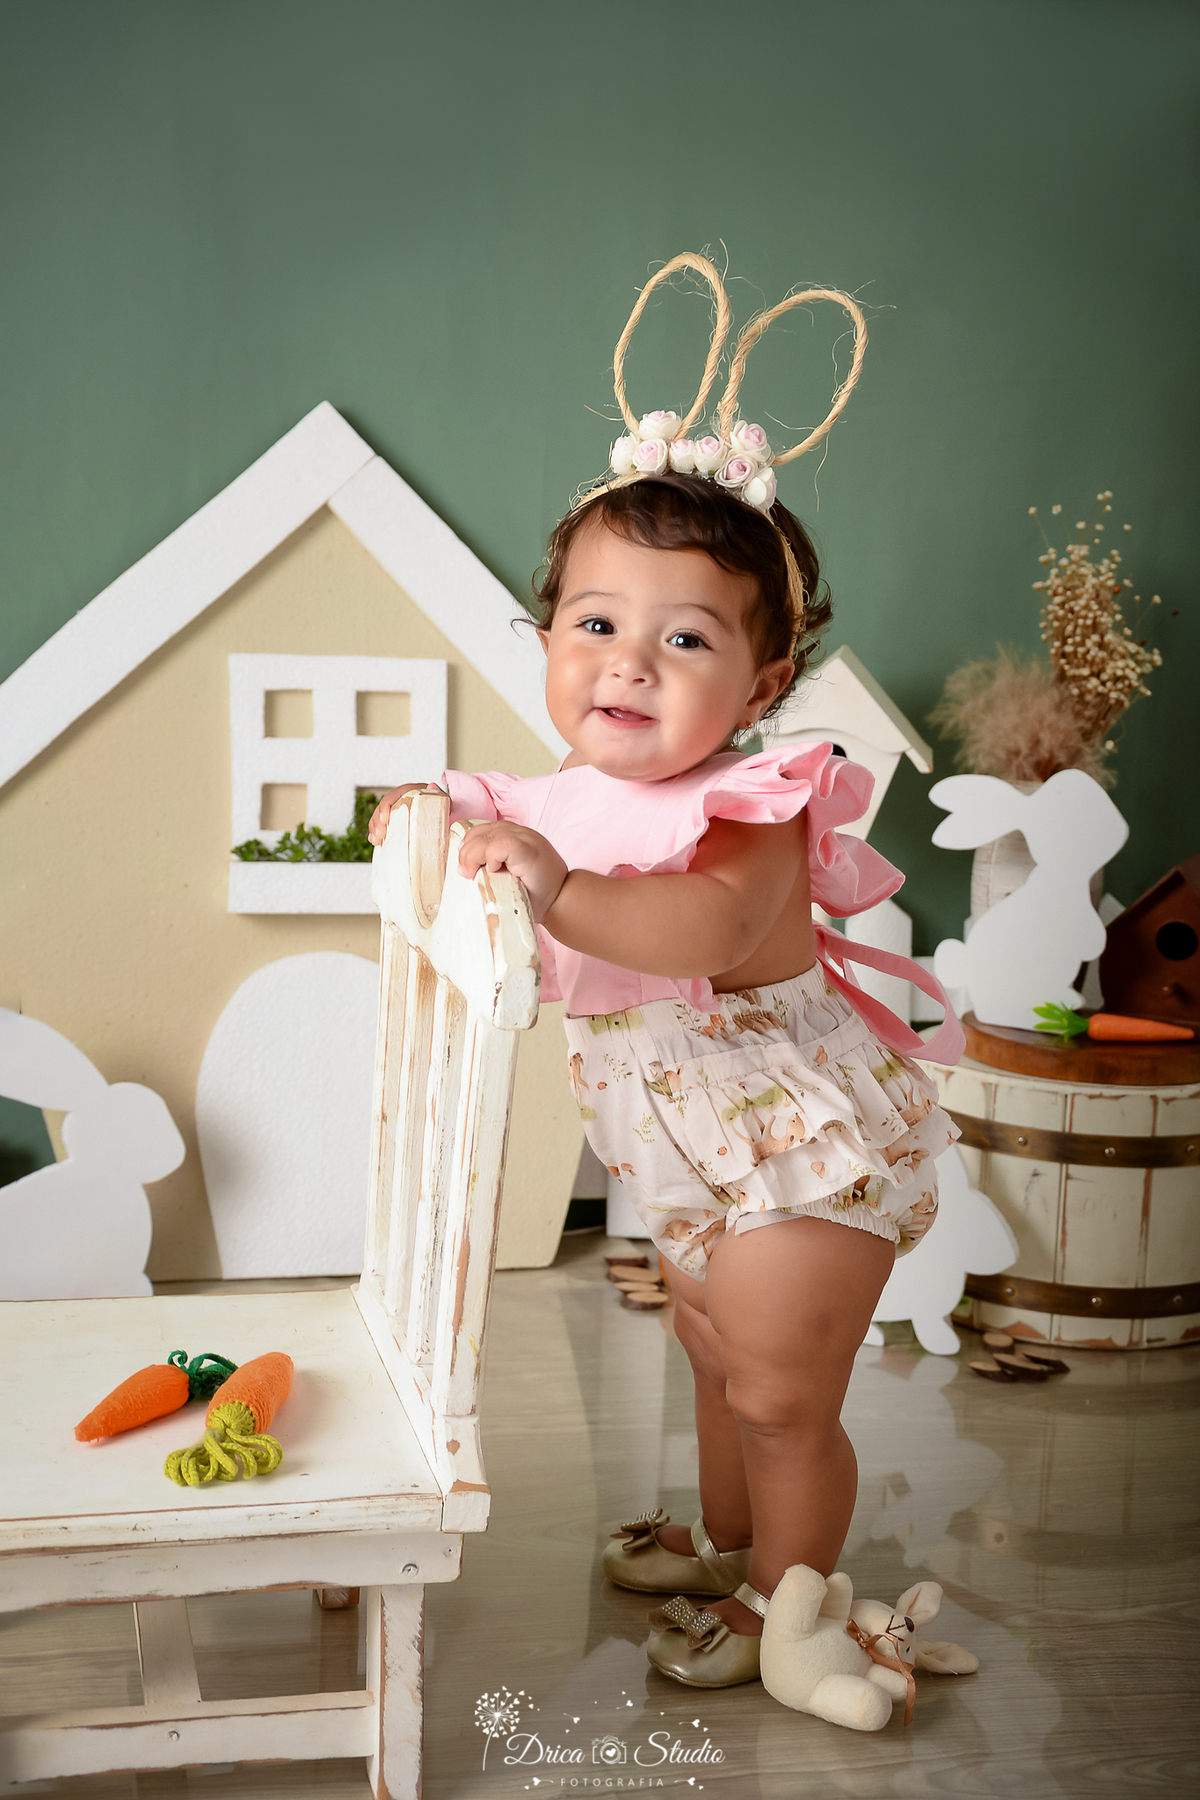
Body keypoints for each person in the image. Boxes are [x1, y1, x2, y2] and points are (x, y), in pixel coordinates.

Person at [368, 254, 963, 1691]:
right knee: (706, 1352)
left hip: (799, 1152)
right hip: (688, 1155)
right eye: (595, 624)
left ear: (761, 686)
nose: (628, 664)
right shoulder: (560, 792)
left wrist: (560, 889)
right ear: (547, 635)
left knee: (777, 1391)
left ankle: (791, 1605)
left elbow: (693, 933)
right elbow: (456, 825)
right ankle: (725, 1541)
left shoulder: (748, 815)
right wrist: (420, 826)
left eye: (685, 638)